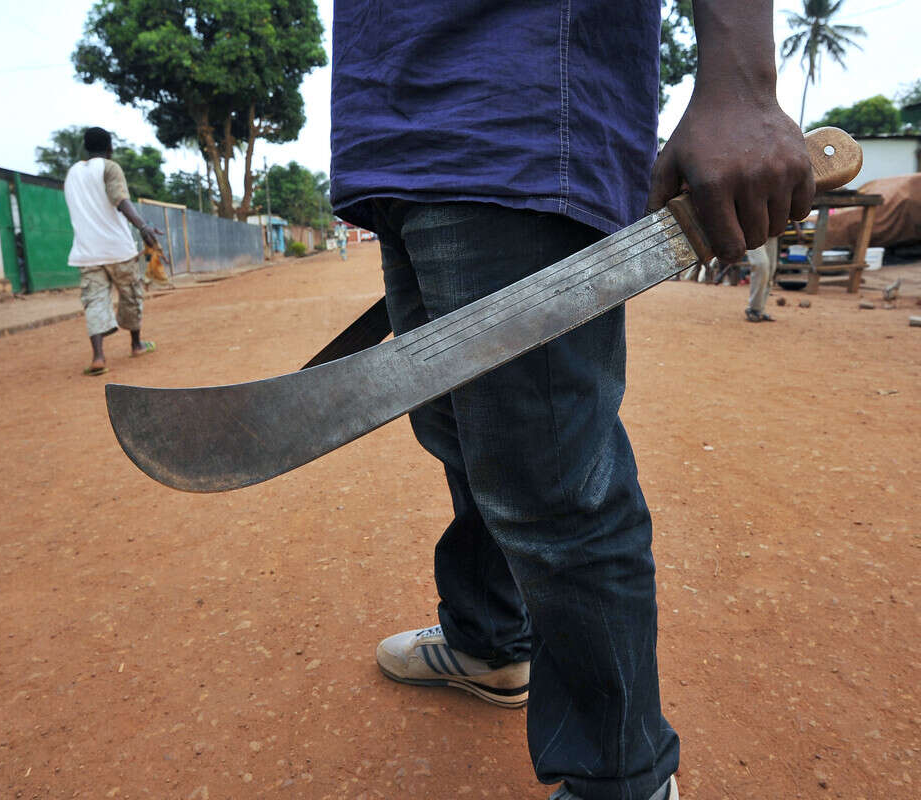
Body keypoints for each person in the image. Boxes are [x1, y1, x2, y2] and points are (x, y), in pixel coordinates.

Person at [329, 2, 814, 799]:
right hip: (394, 144)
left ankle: (618, 779)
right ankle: (490, 640)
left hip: (519, 118)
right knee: (462, 433)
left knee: (551, 483)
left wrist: (744, 82)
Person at [64, 126, 163, 375]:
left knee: (94, 300)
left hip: (87, 251)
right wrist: (143, 226)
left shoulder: (73, 173)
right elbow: (120, 199)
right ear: (110, 147)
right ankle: (136, 344)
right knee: (131, 294)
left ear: (86, 148)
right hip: (118, 248)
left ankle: (98, 357)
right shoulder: (109, 167)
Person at [744, 236, 780, 322]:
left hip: (772, 231)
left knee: (771, 269)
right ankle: (754, 309)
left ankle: (759, 309)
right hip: (753, 230)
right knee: (761, 265)